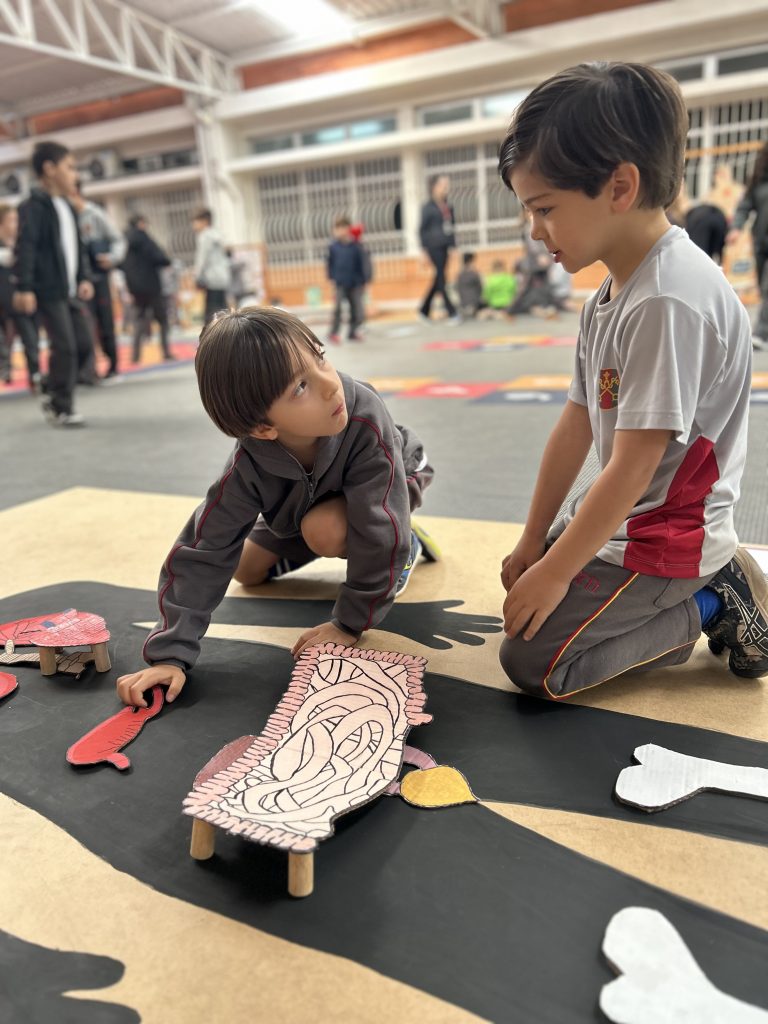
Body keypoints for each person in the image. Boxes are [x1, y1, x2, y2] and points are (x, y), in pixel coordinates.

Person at [496, 60, 768, 701]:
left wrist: (556, 572)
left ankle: (712, 598)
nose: (534, 230)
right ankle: (686, 587)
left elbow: (633, 466)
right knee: (527, 587)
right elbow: (575, 424)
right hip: (634, 517)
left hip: (672, 536)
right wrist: (535, 540)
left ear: (619, 186)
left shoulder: (669, 299)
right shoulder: (612, 294)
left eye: (544, 208)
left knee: (535, 662)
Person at [114, 306, 436, 707]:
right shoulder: (248, 465)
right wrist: (169, 655)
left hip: (394, 483)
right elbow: (205, 549)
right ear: (263, 428)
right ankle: (324, 535)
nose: (330, 385)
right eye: (300, 388)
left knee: (327, 530)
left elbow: (380, 522)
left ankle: (407, 544)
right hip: (303, 505)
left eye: (319, 357)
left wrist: (349, 623)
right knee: (247, 570)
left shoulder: (363, 416)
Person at [14, 141, 94, 427]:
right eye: (69, 167)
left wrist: (83, 277)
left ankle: (49, 384)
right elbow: (26, 247)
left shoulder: (68, 207)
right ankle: (61, 407)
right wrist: (24, 286)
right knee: (65, 347)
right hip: (48, 290)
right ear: (49, 169)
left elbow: (78, 248)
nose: (75, 174)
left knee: (84, 344)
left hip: (70, 290)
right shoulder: (32, 207)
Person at [70, 182, 126, 379]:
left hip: (99, 278)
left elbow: (118, 240)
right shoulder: (66, 217)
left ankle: (112, 366)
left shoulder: (95, 214)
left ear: (75, 192)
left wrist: (112, 258)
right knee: (83, 325)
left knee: (105, 322)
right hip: (78, 280)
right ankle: (88, 369)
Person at [727, 141, 768, 349]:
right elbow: (745, 206)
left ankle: (761, 332)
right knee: (761, 284)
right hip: (761, 241)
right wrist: (736, 227)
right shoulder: (759, 180)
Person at [122, 214, 173, 364]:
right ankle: (166, 351)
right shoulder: (145, 239)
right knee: (162, 320)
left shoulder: (126, 242)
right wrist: (166, 260)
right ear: (141, 223)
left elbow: (124, 266)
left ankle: (135, 356)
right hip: (152, 286)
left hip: (136, 289)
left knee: (139, 321)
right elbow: (159, 257)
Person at [0, 203, 40, 390]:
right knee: (6, 339)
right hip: (4, 301)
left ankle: (35, 374)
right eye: (11, 220)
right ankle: (5, 368)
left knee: (30, 338)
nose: (16, 225)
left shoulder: (22, 244)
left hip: (19, 300)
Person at [418, 174, 460, 323]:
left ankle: (423, 310)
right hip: (433, 247)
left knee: (439, 278)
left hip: (445, 246)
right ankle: (452, 311)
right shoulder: (427, 207)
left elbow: (451, 228)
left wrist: (453, 246)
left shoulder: (448, 206)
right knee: (441, 278)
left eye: (446, 185)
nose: (445, 188)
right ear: (434, 187)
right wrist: (423, 251)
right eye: (442, 185)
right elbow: (422, 230)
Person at [327, 215, 365, 343]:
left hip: (354, 282)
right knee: (337, 309)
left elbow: (360, 263)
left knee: (356, 309)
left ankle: (352, 332)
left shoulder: (355, 246)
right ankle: (334, 332)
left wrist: (362, 280)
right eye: (337, 228)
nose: (340, 231)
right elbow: (330, 264)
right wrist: (332, 278)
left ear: (348, 229)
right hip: (340, 282)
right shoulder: (333, 247)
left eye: (343, 228)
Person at [192, 208, 231, 325]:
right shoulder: (218, 234)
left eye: (195, 221)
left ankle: (211, 333)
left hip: (211, 277)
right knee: (223, 309)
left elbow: (202, 259)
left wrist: (197, 276)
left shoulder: (205, 236)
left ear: (204, 221)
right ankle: (228, 330)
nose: (194, 225)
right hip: (223, 276)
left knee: (211, 311)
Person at [456, 252, 484, 317]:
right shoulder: (474, 273)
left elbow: (458, 289)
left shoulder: (460, 274)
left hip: (463, 302)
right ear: (471, 260)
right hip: (474, 302)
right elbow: (480, 288)